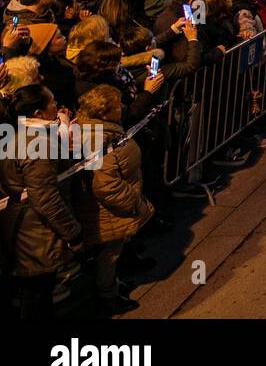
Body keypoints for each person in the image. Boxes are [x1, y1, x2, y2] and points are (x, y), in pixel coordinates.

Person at [0, 84, 83, 319]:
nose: (57, 106)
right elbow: (45, 198)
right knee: (36, 295)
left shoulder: (17, 133)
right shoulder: (38, 143)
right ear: (37, 113)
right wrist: (73, 233)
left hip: (22, 225)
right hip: (35, 232)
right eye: (52, 102)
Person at [71, 84, 154, 315]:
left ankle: (112, 286)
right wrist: (134, 202)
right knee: (108, 254)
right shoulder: (97, 137)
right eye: (117, 105)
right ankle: (108, 297)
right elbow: (105, 185)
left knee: (110, 254)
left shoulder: (98, 129)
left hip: (108, 207)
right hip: (107, 210)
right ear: (104, 112)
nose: (122, 108)